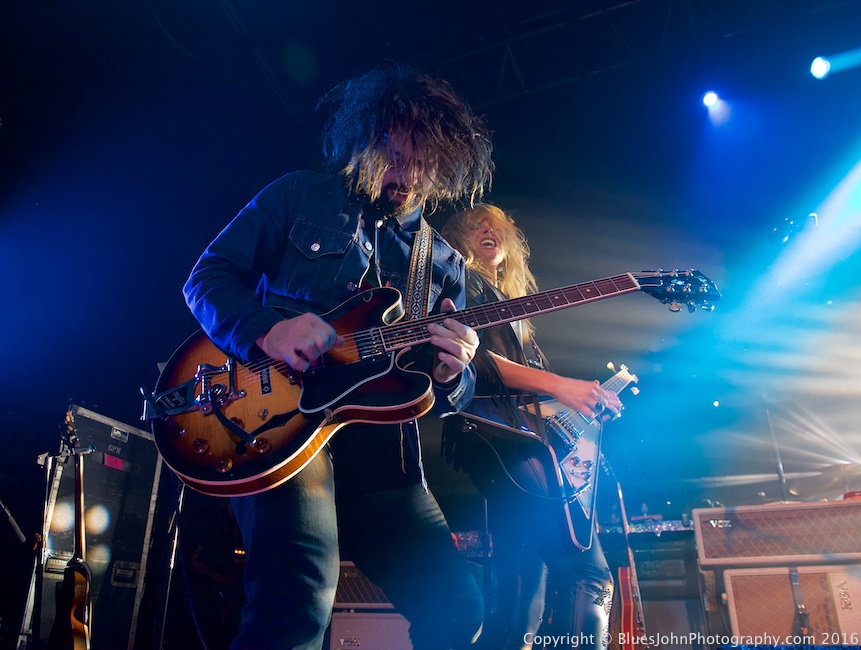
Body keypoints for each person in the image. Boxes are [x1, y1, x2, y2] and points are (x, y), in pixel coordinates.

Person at [183, 63, 495, 650]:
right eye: (395, 155)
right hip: (284, 428)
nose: (407, 174)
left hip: (383, 461)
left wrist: (456, 372)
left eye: (423, 161)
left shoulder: (446, 264)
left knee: (458, 609)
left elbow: (446, 394)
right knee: (297, 601)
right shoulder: (299, 194)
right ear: (365, 140)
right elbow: (208, 277)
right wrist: (264, 332)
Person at [439, 204, 621, 650]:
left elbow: (529, 401)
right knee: (586, 574)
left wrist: (585, 402)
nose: (488, 231)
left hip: (512, 438)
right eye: (476, 226)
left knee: (521, 595)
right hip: (499, 439)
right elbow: (472, 363)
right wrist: (562, 385)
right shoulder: (458, 282)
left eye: (495, 227)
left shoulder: (511, 307)